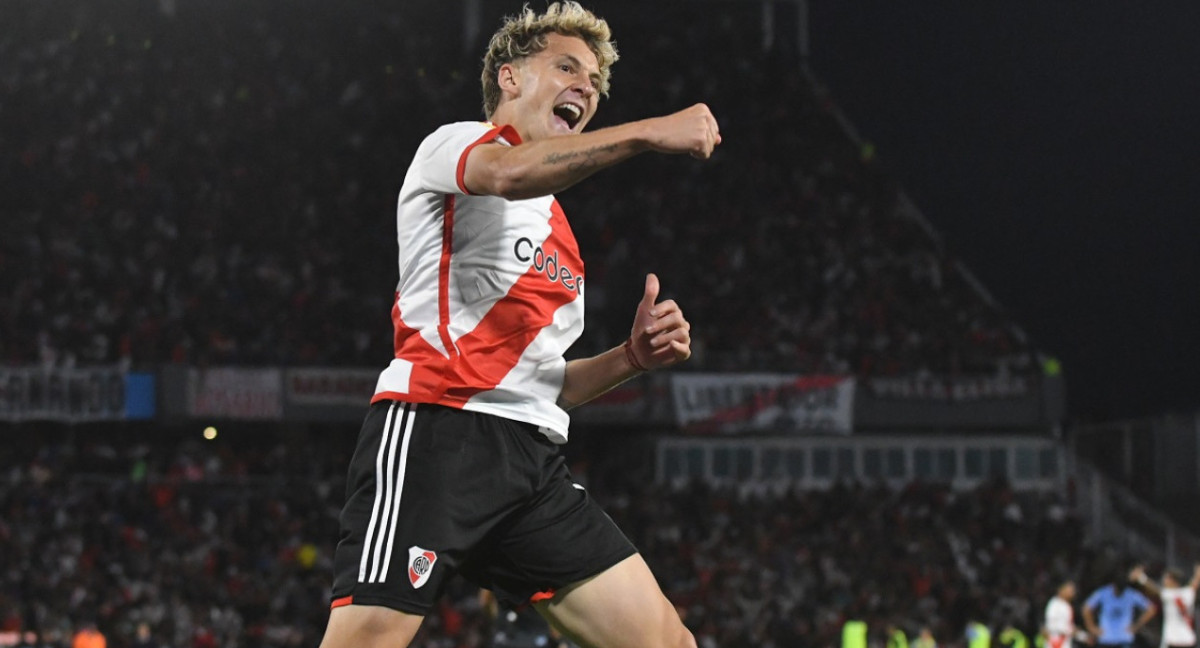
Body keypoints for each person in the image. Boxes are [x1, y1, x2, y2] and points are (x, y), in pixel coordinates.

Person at [316, 3, 720, 648]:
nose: (585, 87)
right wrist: (648, 132)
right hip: (437, 433)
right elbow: (506, 173)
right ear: (509, 78)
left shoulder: (561, 234)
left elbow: (550, 385)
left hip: (532, 463)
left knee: (668, 641)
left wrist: (633, 357)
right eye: (566, 66)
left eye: (593, 80)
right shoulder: (454, 146)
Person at [1082, 569, 1157, 648]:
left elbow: (1151, 609)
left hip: (1124, 639)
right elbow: (1086, 608)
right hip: (1106, 639)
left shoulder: (1131, 594)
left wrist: (1137, 625)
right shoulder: (1103, 593)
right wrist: (1091, 627)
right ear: (1113, 585)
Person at [1131, 564, 1200, 648]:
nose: (1164, 581)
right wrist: (1198, 573)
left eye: (1166, 578)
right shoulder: (1187, 593)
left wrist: (1141, 577)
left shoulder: (1169, 595)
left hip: (1174, 641)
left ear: (1173, 581)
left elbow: (1155, 590)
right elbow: (1194, 584)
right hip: (1188, 640)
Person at [1043, 580, 1081, 648]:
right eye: (1070, 591)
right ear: (1061, 590)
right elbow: (1051, 625)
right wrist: (1069, 630)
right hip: (1055, 643)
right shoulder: (1054, 604)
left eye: (1073, 591)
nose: (1072, 593)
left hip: (1065, 642)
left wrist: (1084, 637)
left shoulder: (1067, 605)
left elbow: (1069, 626)